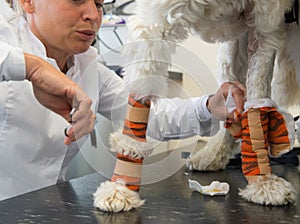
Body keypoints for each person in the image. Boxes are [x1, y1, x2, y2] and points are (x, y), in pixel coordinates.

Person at [0, 0, 245, 201]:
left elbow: (146, 116)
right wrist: (33, 68)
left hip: (51, 205)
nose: (93, 15)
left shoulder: (88, 66)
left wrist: (209, 107)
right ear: (28, 2)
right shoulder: (7, 40)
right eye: (76, 0)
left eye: (98, 4)